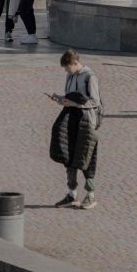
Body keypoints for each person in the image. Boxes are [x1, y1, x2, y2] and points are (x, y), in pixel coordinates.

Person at [48, 50, 101, 209]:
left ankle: (90, 195)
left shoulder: (90, 77)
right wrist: (60, 98)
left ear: (75, 63)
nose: (66, 71)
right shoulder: (70, 76)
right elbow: (69, 97)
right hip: (70, 119)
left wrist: (75, 104)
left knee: (86, 157)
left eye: (67, 67)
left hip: (86, 121)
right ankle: (72, 195)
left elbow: (95, 101)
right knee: (68, 156)